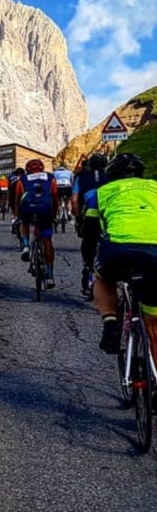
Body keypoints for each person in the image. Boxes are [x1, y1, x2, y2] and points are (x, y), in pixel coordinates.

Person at [92, 153, 157, 362]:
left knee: (103, 278)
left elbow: (90, 232)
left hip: (118, 249)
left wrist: (89, 260)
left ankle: (110, 322)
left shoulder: (101, 192)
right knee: (154, 323)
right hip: (155, 252)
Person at [13, 158, 59, 288]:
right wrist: (54, 214)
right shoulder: (51, 178)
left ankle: (26, 246)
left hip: (28, 209)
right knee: (47, 240)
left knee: (24, 222)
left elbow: (17, 199)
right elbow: (55, 197)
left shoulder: (22, 179)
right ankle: (50, 276)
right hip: (45, 209)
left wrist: (17, 214)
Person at [72, 153, 109, 295]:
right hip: (109, 215)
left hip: (91, 214)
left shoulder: (81, 176)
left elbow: (75, 200)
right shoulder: (111, 175)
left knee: (88, 245)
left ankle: (88, 271)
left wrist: (77, 218)